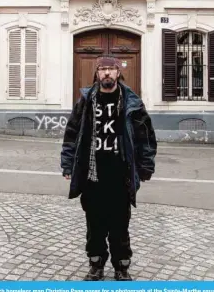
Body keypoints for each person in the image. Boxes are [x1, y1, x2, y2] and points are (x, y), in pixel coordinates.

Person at [60, 56, 157, 281]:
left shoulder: (131, 101)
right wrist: (67, 164)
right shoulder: (86, 101)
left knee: (120, 226)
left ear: (117, 72)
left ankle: (121, 267)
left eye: (111, 69)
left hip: (120, 176)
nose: (106, 73)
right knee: (95, 227)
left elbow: (146, 136)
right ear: (96, 73)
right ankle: (96, 265)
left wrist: (146, 166)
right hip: (92, 176)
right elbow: (72, 134)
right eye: (102, 69)